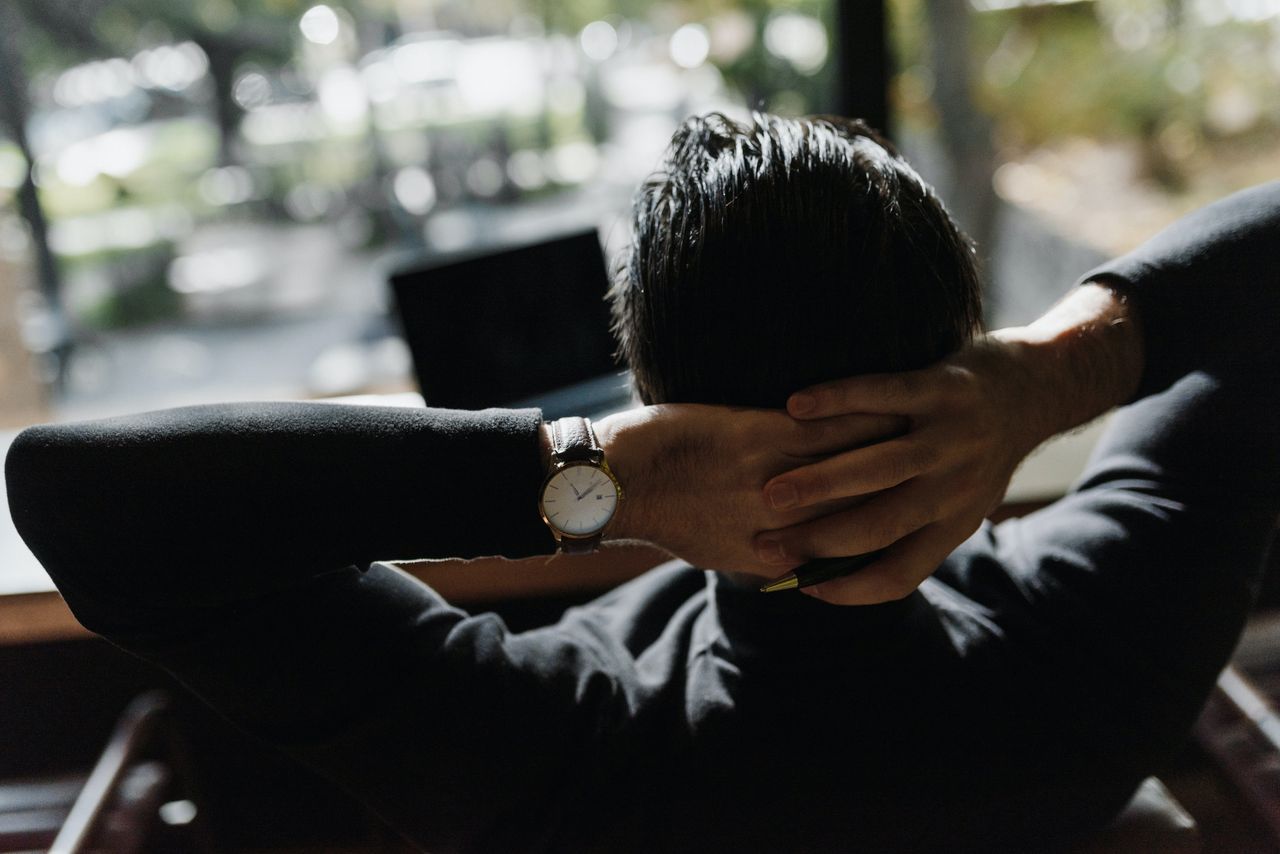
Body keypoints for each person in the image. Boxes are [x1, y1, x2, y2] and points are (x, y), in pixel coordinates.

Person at [6, 113, 1278, 853]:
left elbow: (82, 500)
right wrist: (1055, 375)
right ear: (959, 354)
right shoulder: (1101, 650)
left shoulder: (545, 752)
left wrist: (590, 472)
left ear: (649, 389)